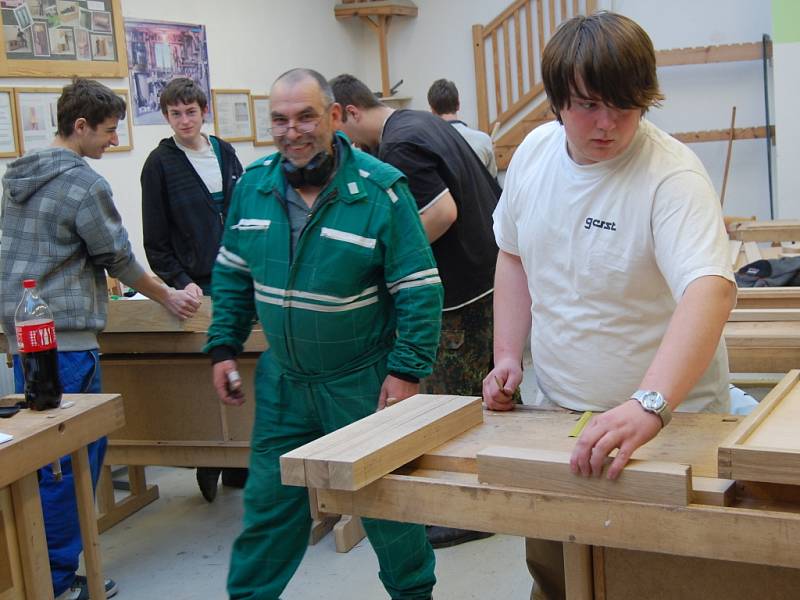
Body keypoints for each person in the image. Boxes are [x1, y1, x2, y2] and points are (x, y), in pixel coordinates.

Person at [481, 12, 736, 600]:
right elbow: (513, 255)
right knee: (556, 572)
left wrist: (649, 404)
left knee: (657, 578)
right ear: (555, 103)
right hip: (557, 414)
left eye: (625, 106)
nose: (608, 125)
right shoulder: (535, 155)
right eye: (588, 105)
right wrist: (506, 354)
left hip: (668, 423)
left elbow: (710, 290)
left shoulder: (670, 176)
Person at [205, 68, 443, 600]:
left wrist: (406, 371)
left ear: (335, 116)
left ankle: (414, 595)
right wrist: (224, 345)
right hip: (284, 385)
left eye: (306, 116)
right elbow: (232, 274)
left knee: (389, 512)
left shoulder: (380, 191)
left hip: (362, 386)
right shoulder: (254, 186)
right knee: (267, 511)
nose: (294, 131)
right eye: (280, 120)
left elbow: (420, 288)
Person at [0, 79, 200, 600]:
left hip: (27, 342)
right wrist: (169, 297)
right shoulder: (84, 184)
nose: (114, 140)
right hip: (65, 344)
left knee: (45, 467)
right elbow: (119, 257)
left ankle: (44, 572)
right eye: (109, 132)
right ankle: (60, 581)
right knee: (67, 469)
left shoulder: (20, 174)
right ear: (81, 126)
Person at [330, 73, 500, 548]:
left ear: (348, 112)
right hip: (486, 278)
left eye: (334, 127)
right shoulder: (418, 122)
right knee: (481, 398)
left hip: (461, 292)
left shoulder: (400, 144)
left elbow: (442, 212)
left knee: (454, 403)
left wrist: (385, 260)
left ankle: (469, 511)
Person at [141, 76, 246, 502]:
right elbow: (156, 242)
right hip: (197, 289)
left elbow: (243, 214)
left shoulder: (226, 153)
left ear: (205, 112)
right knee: (213, 374)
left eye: (191, 111)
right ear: (166, 117)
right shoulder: (158, 164)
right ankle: (212, 458)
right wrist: (180, 284)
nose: (184, 120)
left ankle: (241, 463)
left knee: (246, 370)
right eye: (175, 113)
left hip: (239, 278)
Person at [427, 78, 498, 177]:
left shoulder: (427, 143)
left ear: (432, 110)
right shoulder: (483, 140)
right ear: (458, 105)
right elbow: (491, 181)